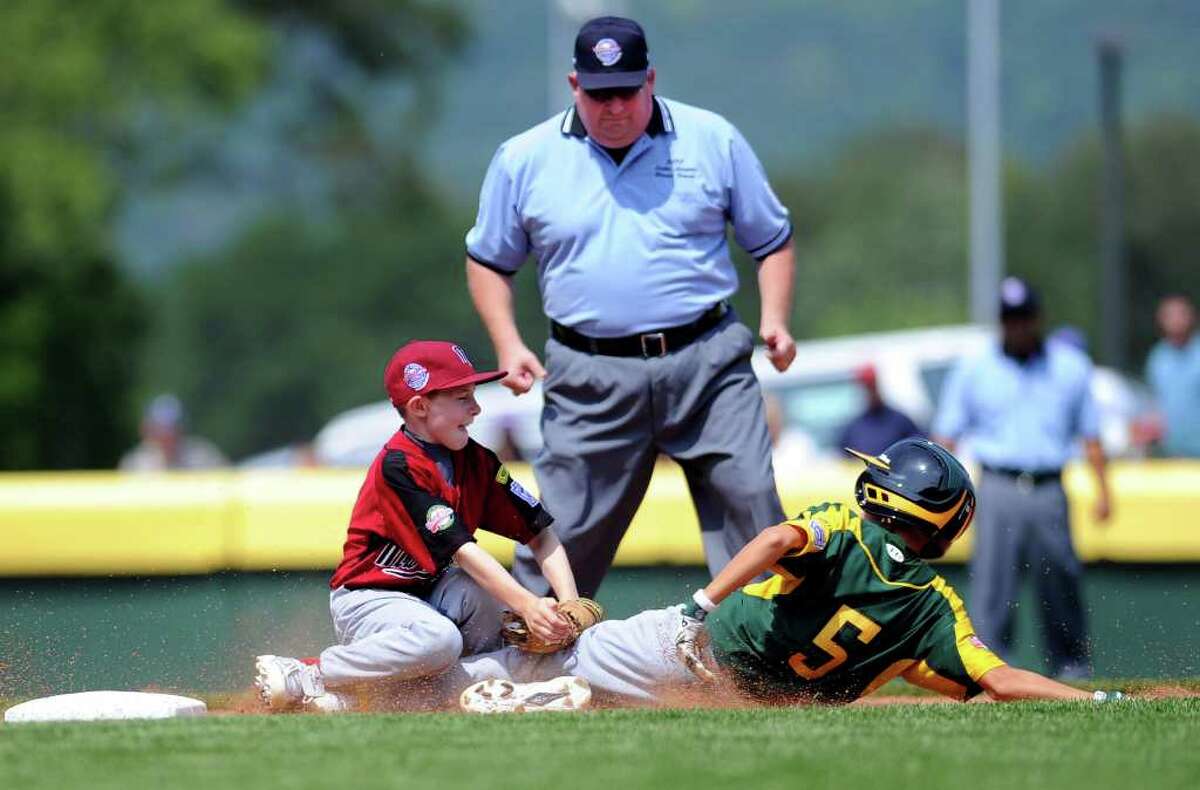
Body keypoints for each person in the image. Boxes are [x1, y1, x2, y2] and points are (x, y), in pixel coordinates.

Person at [464, 16, 796, 598]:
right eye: (597, 94)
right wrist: (508, 343)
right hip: (590, 370)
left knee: (751, 500)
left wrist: (774, 317)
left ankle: (766, 661)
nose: (612, 107)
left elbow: (771, 240)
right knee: (562, 525)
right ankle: (523, 654)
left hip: (708, 360)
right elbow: (490, 260)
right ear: (574, 85)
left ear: (651, 80)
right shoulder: (524, 158)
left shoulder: (711, 139)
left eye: (625, 91)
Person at [453, 439, 1123, 712]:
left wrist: (697, 606)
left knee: (557, 661)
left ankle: (404, 689)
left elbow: (775, 537)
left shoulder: (847, 526)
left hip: (697, 647)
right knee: (594, 694)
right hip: (742, 702)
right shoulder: (934, 607)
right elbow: (1000, 679)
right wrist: (1091, 701)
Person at [253, 341, 581, 711]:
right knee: (440, 639)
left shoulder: (478, 461)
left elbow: (541, 533)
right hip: (369, 599)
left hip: (431, 591)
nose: (476, 408)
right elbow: (464, 551)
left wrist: (569, 603)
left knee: (483, 601)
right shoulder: (399, 466)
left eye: (473, 394)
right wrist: (529, 604)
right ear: (420, 406)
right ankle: (309, 673)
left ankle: (408, 696)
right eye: (462, 397)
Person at [932, 277, 1111, 679]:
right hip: (996, 485)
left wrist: (1104, 491)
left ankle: (1070, 667)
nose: (1017, 325)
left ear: (1038, 317)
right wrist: (936, 495)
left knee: (1060, 578)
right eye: (1009, 318)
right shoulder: (975, 367)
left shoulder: (1069, 366)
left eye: (1023, 316)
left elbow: (1092, 434)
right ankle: (990, 670)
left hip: (1049, 486)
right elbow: (946, 434)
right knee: (993, 585)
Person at [1145, 294, 1200, 458]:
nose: (1176, 320)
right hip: (1172, 453)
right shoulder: (1157, 358)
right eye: (1170, 315)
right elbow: (1154, 403)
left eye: (1181, 314)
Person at [118, 393, 228, 471]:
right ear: (148, 429)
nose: (166, 434)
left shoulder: (204, 458)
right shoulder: (135, 464)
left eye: (171, 428)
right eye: (160, 428)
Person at [837, 364, 922, 455]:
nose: (870, 393)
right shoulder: (853, 428)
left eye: (872, 387)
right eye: (866, 389)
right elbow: (843, 457)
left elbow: (919, 448)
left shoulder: (901, 422)